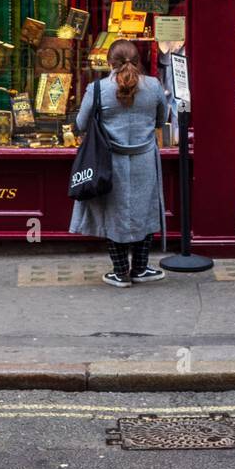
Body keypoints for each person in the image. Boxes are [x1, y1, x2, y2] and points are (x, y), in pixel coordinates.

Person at [69, 39, 168, 287]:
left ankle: (120, 272)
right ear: (138, 60)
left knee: (114, 214)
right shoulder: (154, 86)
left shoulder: (98, 88)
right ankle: (141, 269)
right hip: (144, 159)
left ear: (109, 62)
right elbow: (161, 120)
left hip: (110, 161)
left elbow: (81, 124)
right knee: (145, 211)